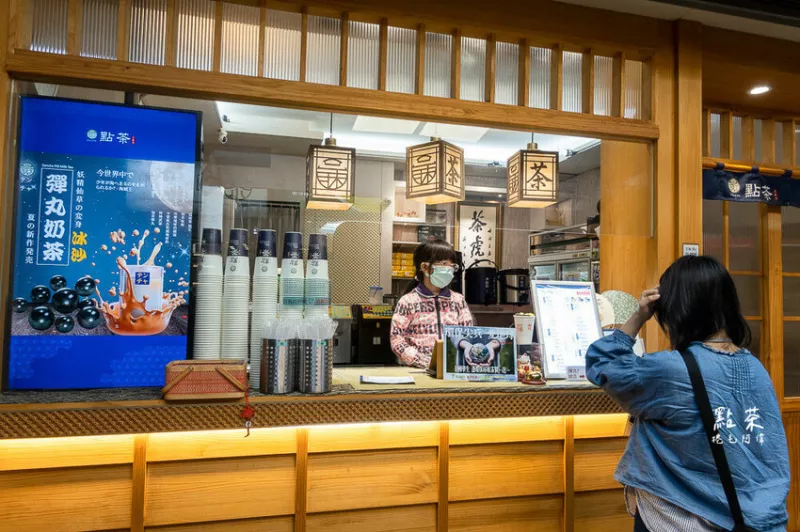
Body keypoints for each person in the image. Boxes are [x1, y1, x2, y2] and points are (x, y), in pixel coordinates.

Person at [586, 256, 789, 532]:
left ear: (677, 310)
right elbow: (770, 450)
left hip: (679, 516)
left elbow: (602, 363)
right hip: (756, 519)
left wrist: (638, 317)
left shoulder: (671, 369)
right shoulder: (754, 367)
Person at [390, 240, 473, 368]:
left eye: (452, 265)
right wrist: (424, 362)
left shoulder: (458, 300)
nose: (449, 268)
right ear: (424, 267)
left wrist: (457, 360)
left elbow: (468, 334)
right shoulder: (408, 301)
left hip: (453, 369)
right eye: (444, 263)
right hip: (417, 371)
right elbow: (397, 339)